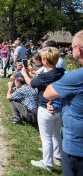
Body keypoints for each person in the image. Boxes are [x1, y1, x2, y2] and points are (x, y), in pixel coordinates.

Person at [44, 30, 83, 176]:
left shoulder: (76, 77)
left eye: (72, 48)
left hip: (77, 149)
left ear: (78, 50)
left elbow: (48, 93)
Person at [22, 47, 65, 171]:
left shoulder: (45, 76)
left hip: (45, 108)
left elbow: (31, 83)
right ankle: (58, 157)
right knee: (56, 135)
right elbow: (40, 79)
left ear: (45, 60)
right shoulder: (60, 71)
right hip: (58, 108)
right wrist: (33, 73)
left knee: (46, 137)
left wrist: (24, 73)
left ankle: (47, 163)